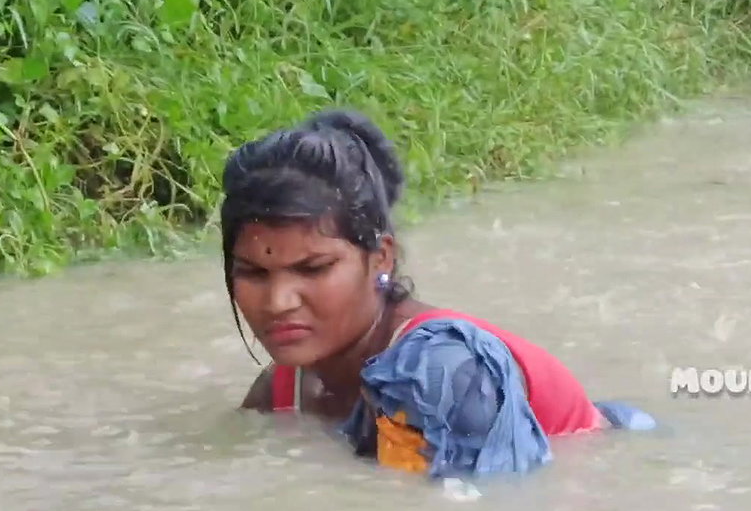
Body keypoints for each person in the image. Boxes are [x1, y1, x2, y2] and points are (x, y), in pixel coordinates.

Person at [220, 107, 655, 479]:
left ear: (381, 258)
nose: (278, 302)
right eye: (253, 273)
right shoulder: (285, 389)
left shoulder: (447, 375)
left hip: (626, 464)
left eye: (313, 268)